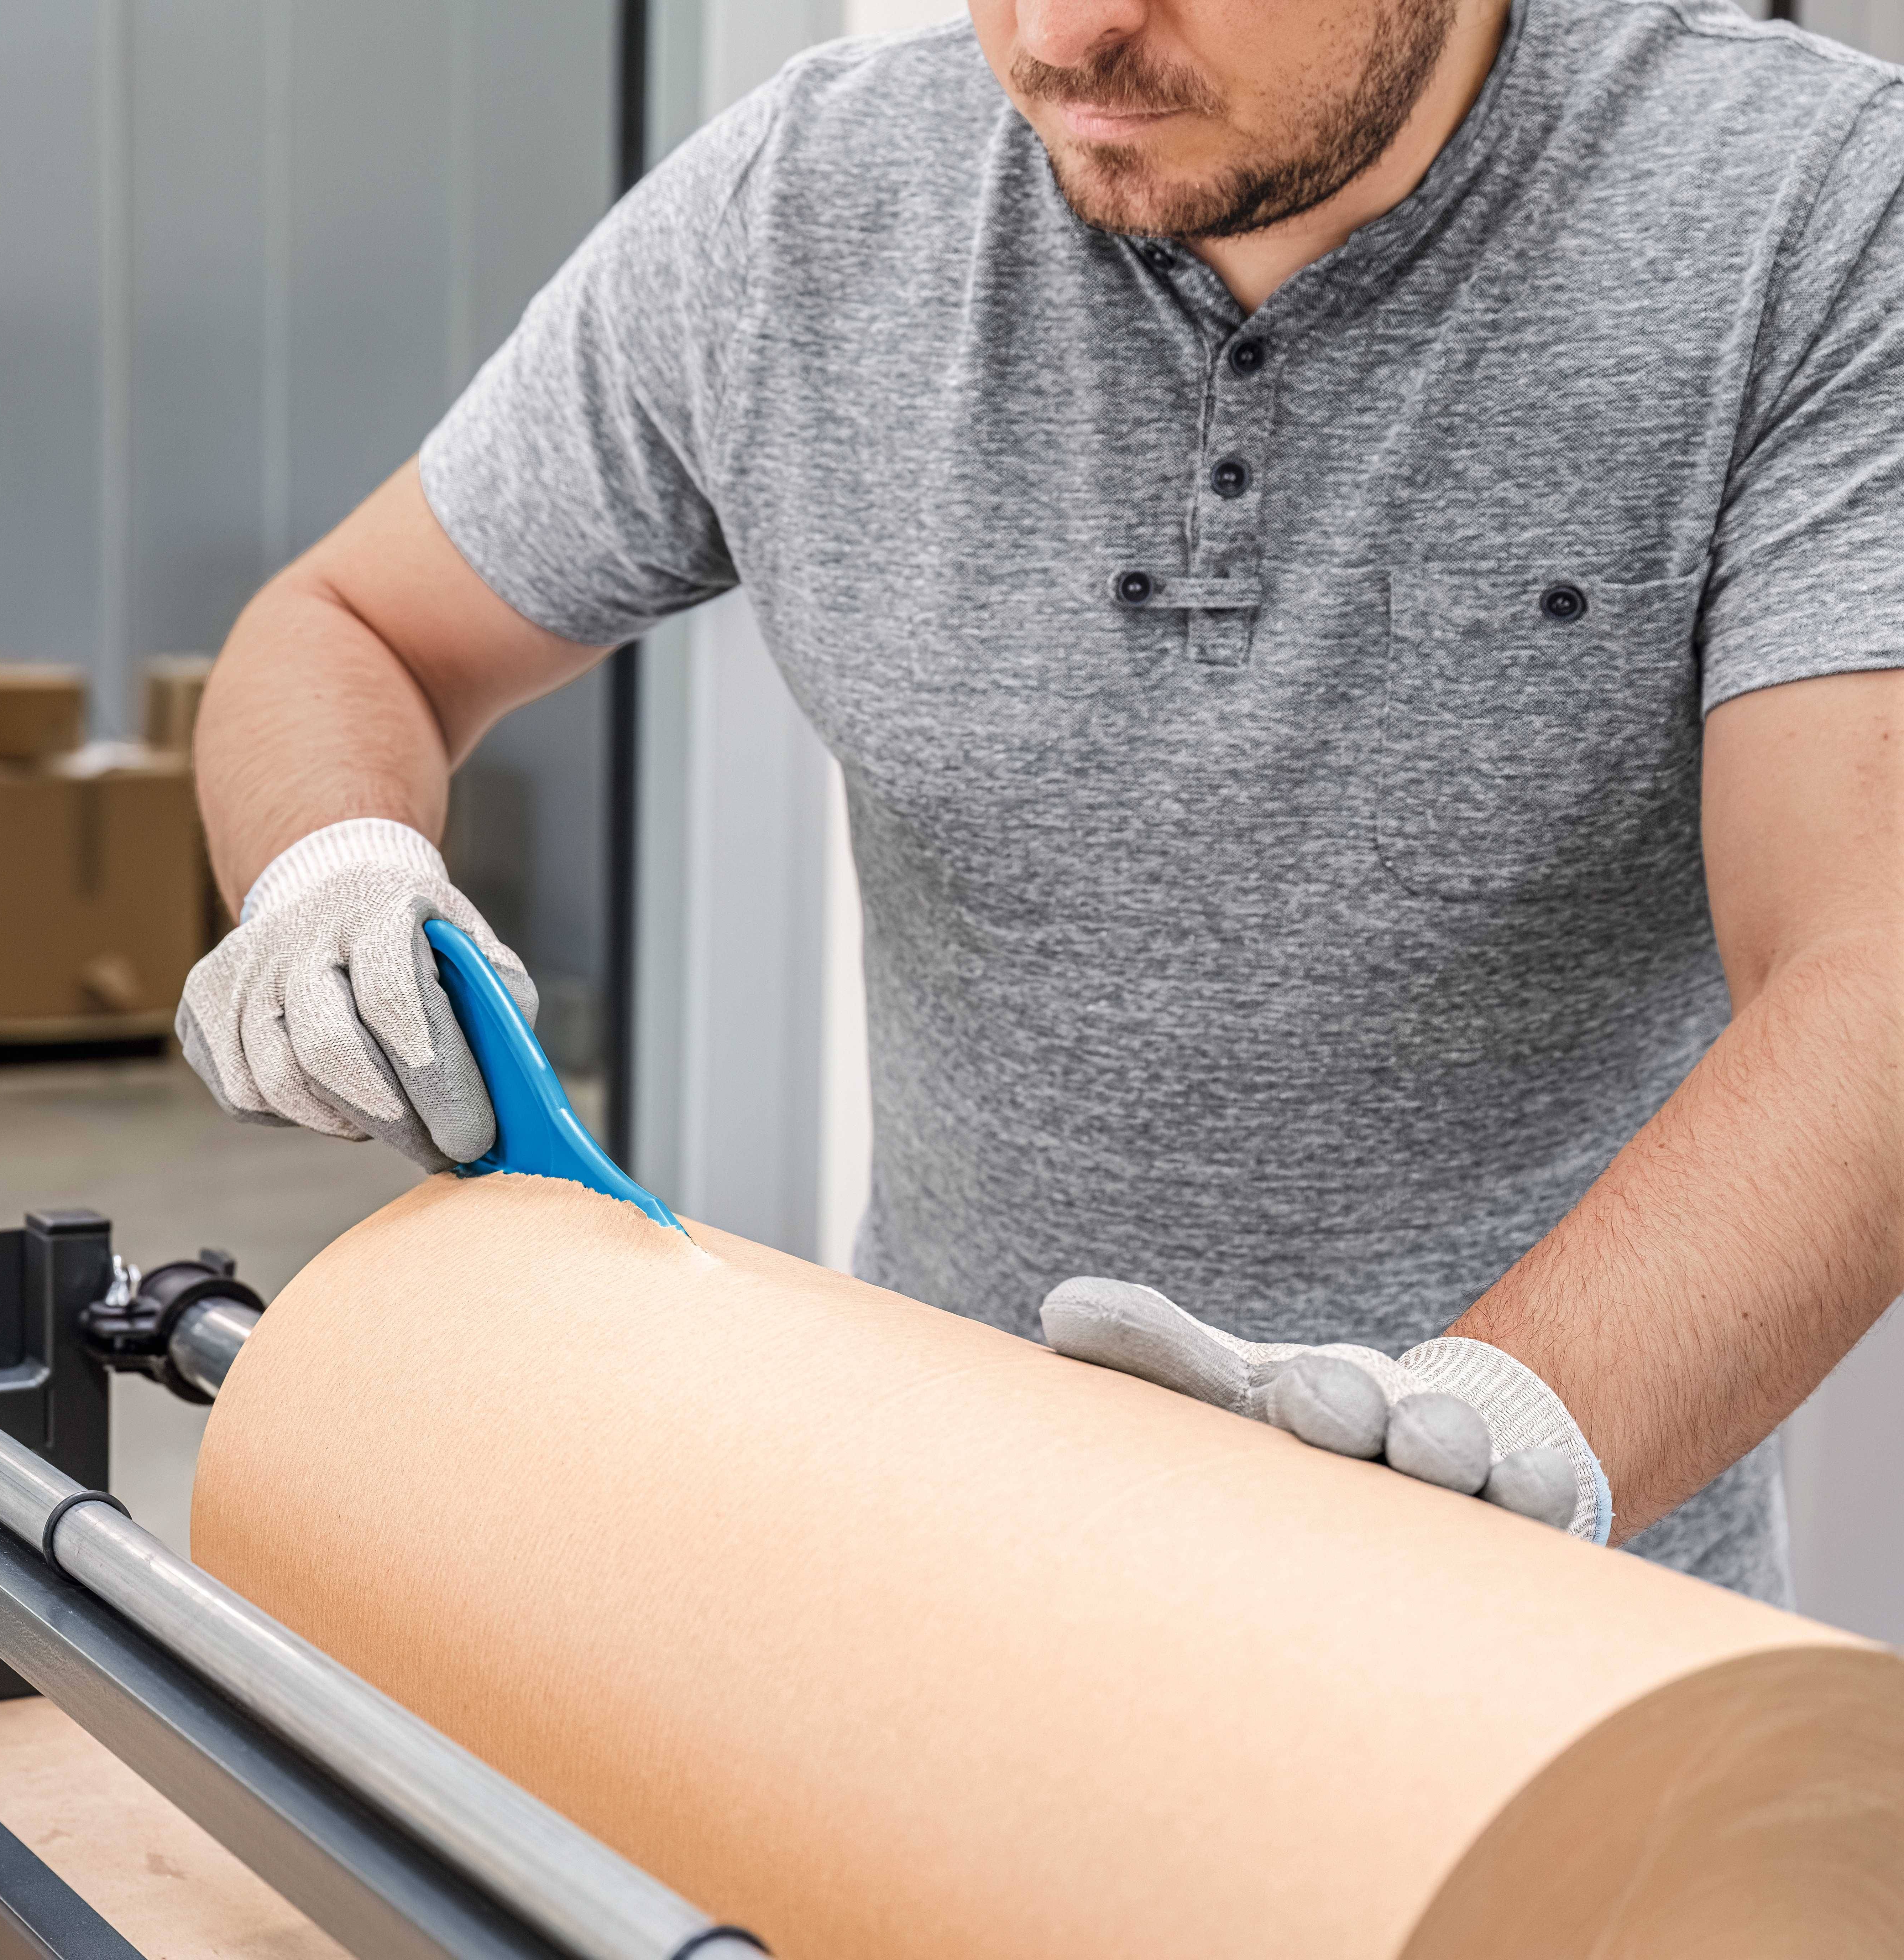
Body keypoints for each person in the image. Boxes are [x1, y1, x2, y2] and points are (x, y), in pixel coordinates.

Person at [175, 0, 1904, 1597]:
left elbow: (1872, 964)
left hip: (1552, 1641)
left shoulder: (1807, 217)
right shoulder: (807, 204)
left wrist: (1498, 1440)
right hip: (944, 1575)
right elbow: (353, 627)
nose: (1067, 36)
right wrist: (333, 861)